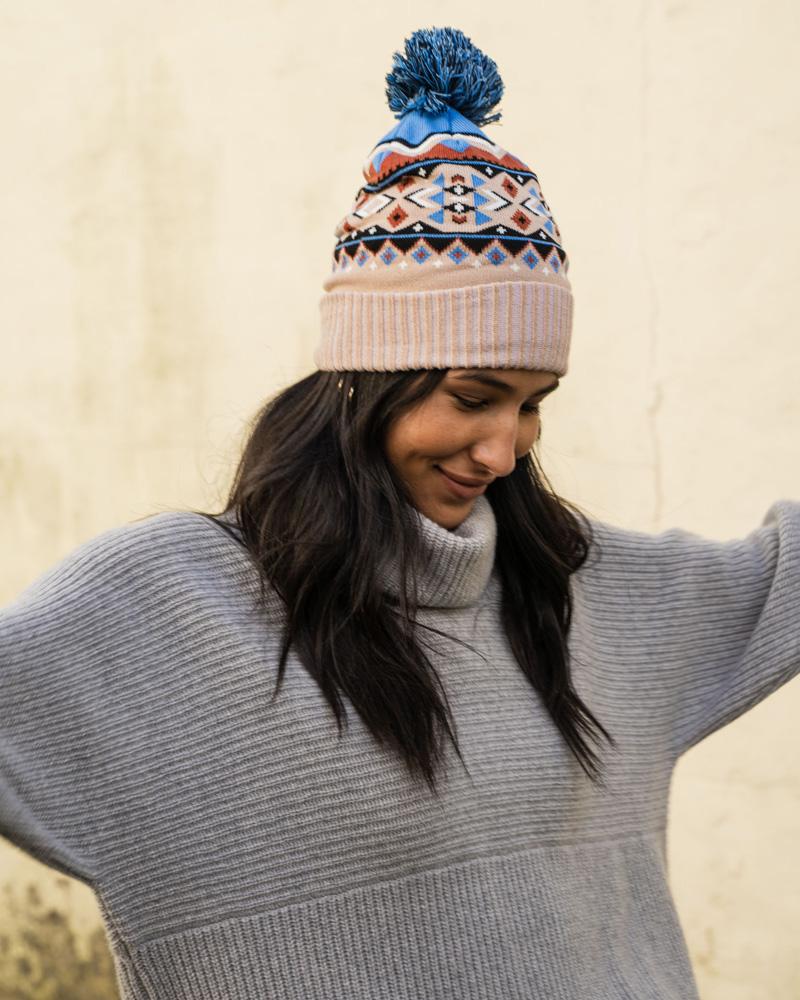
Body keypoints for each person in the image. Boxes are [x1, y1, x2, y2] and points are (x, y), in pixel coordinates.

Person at [0, 25, 797, 1000]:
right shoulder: (167, 607)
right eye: (471, 395)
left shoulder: (577, 589)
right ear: (367, 374)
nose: (504, 450)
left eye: (533, 401)